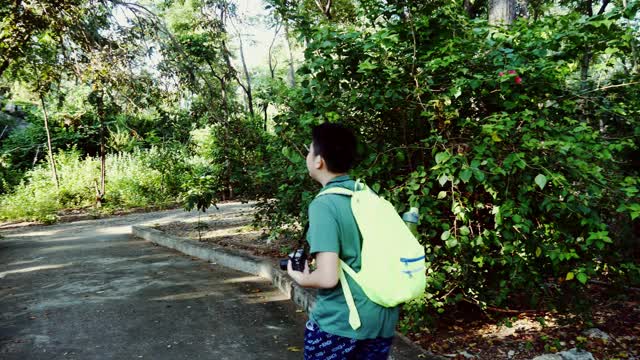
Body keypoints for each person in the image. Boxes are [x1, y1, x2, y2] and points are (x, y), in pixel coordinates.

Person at [287, 123, 399, 359]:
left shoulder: (324, 204)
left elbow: (328, 277)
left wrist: (302, 278)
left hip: (342, 323)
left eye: (309, 151)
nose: (307, 156)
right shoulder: (366, 195)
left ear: (319, 161)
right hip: (382, 319)